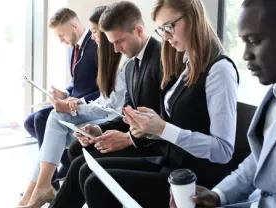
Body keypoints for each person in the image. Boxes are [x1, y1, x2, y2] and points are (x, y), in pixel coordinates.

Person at [65, 0, 239, 207]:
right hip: (170, 163)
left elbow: (223, 151)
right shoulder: (186, 64)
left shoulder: (220, 70)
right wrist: (149, 128)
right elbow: (175, 123)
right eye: (161, 29)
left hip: (191, 178)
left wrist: (162, 129)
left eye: (169, 27)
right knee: (89, 172)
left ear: (193, 19)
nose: (165, 36)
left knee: (96, 183)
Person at [170, 0, 276, 208]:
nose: (245, 55)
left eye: (254, 41)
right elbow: (263, 158)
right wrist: (219, 195)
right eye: (243, 42)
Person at [49, 2, 164, 208]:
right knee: (77, 155)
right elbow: (128, 114)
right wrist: (98, 129)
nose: (116, 49)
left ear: (139, 30)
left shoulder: (161, 60)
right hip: (138, 138)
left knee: (83, 169)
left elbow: (164, 123)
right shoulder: (131, 65)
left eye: (120, 41)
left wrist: (128, 139)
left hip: (154, 149)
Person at [16, 7, 108, 208]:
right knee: (32, 121)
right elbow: (76, 83)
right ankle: (47, 175)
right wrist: (65, 94)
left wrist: (75, 102)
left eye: (61, 35)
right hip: (73, 102)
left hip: (87, 106)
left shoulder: (98, 46)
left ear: (74, 26)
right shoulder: (73, 49)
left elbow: (103, 92)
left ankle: (45, 181)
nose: (61, 40)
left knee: (45, 120)